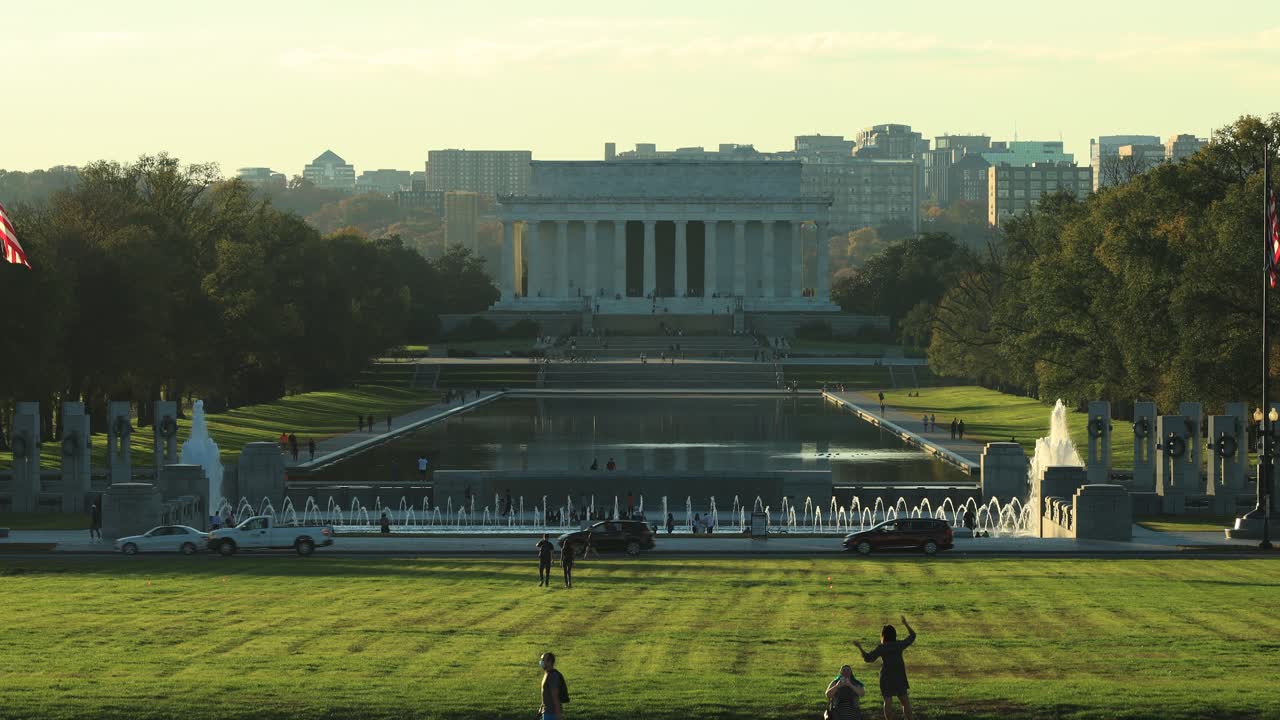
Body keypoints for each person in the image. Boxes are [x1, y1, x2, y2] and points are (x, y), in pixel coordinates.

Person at [855, 616, 917, 720]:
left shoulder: (882, 648)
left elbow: (868, 658)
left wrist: (860, 647)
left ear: (883, 636)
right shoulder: (899, 645)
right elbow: (912, 636)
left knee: (888, 701)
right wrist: (905, 623)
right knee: (905, 701)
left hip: (886, 677)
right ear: (894, 635)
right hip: (899, 676)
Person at [538, 652, 567, 720]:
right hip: (546, 712)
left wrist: (558, 714)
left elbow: (555, 696)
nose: (541, 662)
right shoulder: (547, 674)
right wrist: (540, 710)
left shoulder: (553, 676)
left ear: (549, 662)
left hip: (552, 714)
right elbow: (546, 695)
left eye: (543, 660)